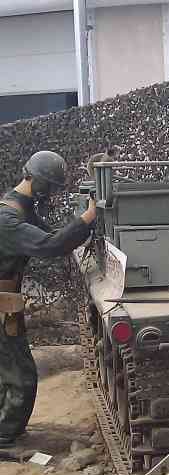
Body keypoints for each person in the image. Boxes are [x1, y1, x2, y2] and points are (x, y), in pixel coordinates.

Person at [0, 151, 97, 447]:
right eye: (53, 187)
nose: (54, 194)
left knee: (8, 370)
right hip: (3, 303)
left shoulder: (19, 207)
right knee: (22, 376)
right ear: (42, 185)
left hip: (7, 301)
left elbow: (54, 235)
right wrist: (87, 218)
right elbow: (50, 245)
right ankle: (4, 436)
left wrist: (83, 227)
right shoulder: (8, 218)